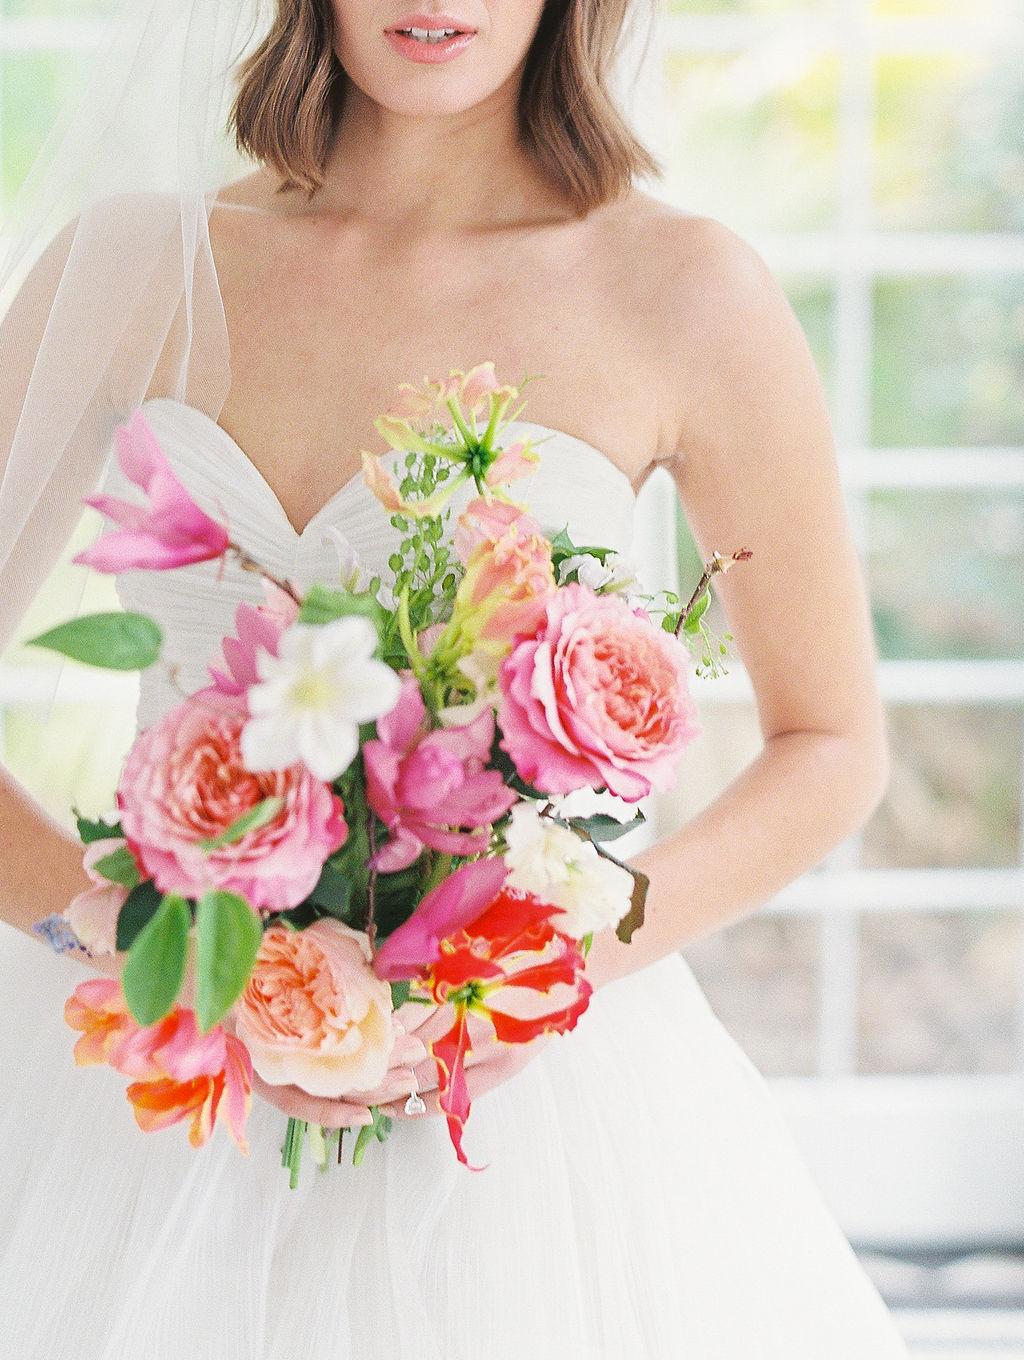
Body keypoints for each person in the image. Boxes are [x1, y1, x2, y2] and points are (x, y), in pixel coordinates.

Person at [0, 1, 911, 1355]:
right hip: (157, 1096)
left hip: (533, 1126)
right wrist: (148, 950)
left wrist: (535, 976)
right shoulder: (139, 263)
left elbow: (833, 742)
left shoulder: (684, 291)